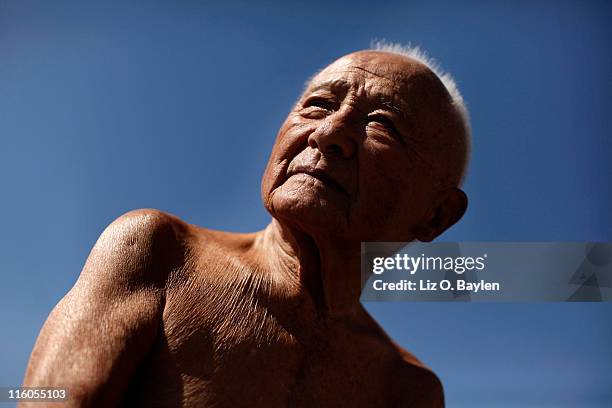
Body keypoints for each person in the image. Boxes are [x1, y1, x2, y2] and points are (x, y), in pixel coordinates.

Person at [21, 43, 470, 407]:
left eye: (382, 125)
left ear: (436, 216)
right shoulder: (157, 251)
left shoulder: (408, 391)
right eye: (317, 105)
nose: (329, 132)